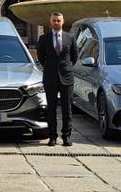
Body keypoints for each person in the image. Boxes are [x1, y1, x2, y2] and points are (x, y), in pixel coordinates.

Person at [36, 12, 78, 147]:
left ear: (63, 21)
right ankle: (52, 137)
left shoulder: (70, 37)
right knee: (51, 109)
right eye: (54, 21)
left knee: (67, 109)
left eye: (58, 21)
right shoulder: (44, 38)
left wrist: (66, 68)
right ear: (50, 22)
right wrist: (50, 69)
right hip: (50, 78)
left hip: (66, 78)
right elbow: (41, 57)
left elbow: (74, 56)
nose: (56, 23)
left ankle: (66, 137)